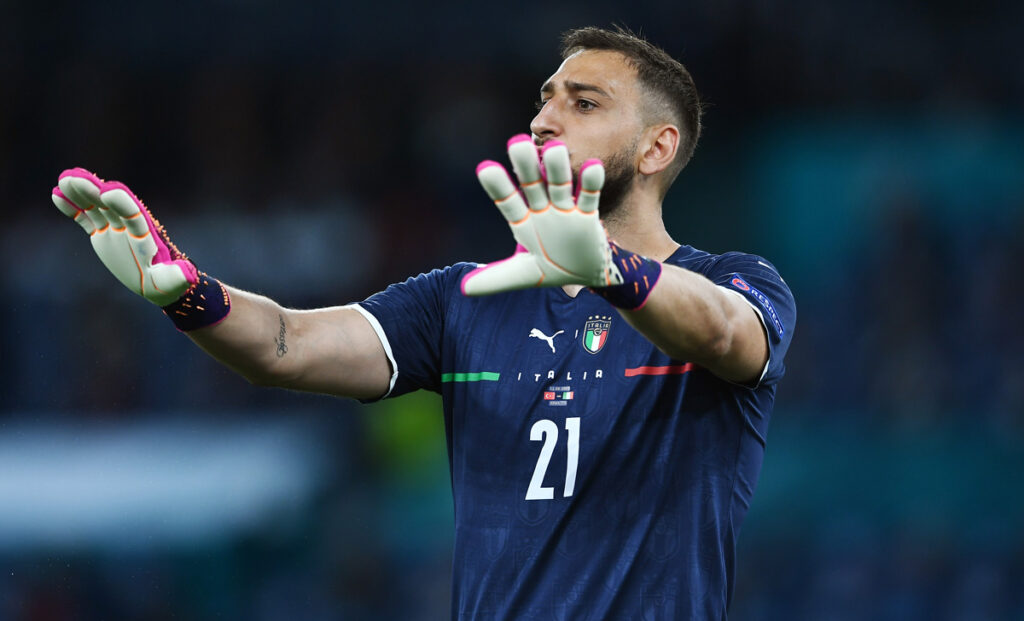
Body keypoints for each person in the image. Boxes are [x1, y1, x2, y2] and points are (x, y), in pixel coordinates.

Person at [52, 26, 795, 620]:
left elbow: (726, 334)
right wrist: (188, 294)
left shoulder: (737, 282)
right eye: (545, 99)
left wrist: (610, 268)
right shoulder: (461, 300)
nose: (543, 119)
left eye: (585, 102)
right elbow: (285, 345)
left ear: (657, 147)